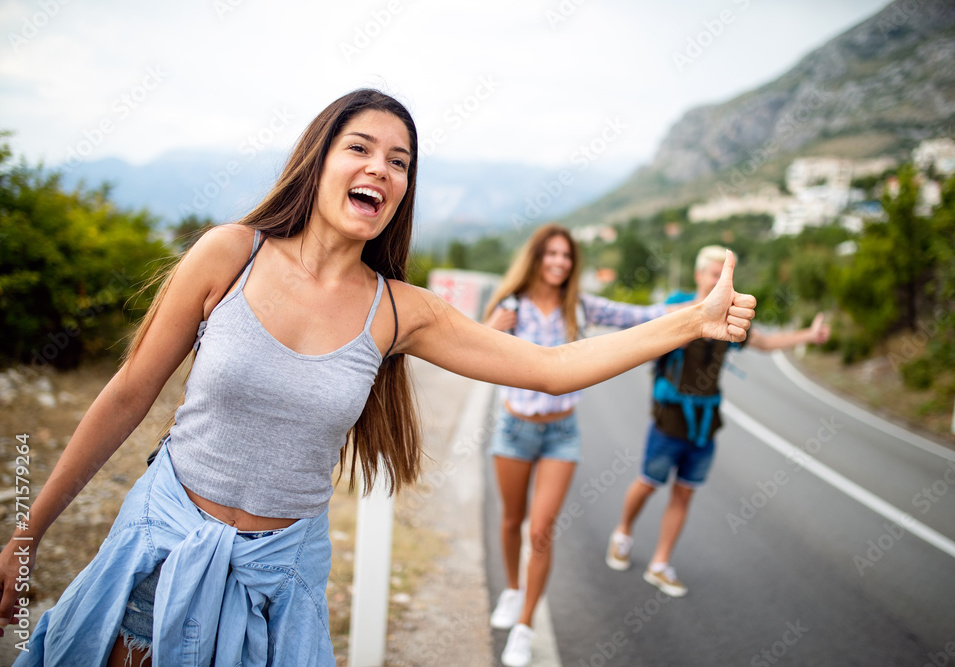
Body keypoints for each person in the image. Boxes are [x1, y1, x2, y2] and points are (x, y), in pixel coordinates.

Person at [0, 90, 755, 667]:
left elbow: (552, 365)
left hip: (277, 579)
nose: (381, 169)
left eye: (399, 161)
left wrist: (690, 321)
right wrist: (26, 538)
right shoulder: (229, 254)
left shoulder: (400, 311)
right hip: (161, 548)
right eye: (361, 148)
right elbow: (129, 392)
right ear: (319, 158)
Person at [481, 223, 678, 667]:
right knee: (512, 521)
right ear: (535, 257)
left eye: (565, 256)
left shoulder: (581, 309)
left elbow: (642, 316)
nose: (558, 262)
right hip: (515, 429)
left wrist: (695, 310)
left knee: (540, 531)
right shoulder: (510, 307)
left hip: (561, 434)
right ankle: (512, 590)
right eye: (550, 254)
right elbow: (473, 351)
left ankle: (525, 627)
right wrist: (490, 328)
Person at [606, 244, 829, 599]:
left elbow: (766, 343)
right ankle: (622, 533)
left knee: (684, 493)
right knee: (648, 482)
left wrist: (808, 336)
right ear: (699, 275)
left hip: (706, 421)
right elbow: (639, 326)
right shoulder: (676, 309)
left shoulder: (731, 319)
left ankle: (660, 564)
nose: (723, 281)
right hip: (670, 418)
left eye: (727, 275)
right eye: (715, 273)